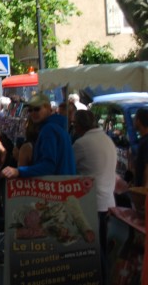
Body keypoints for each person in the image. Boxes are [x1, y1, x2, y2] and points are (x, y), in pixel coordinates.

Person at [73, 109, 116, 274]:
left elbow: (68, 167)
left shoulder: (82, 144)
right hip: (107, 201)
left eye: (75, 125)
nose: (74, 128)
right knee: (101, 247)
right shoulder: (107, 139)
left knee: (94, 250)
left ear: (80, 125)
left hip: (92, 203)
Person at [2, 93, 76, 180]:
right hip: (66, 185)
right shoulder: (57, 127)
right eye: (30, 110)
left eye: (37, 109)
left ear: (48, 108)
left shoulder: (49, 129)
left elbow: (48, 166)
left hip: (57, 187)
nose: (33, 113)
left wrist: (19, 171)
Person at [134, 109, 148, 187]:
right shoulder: (143, 140)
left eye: (135, 118)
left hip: (143, 193)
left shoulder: (146, 141)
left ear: (138, 121)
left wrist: (144, 190)